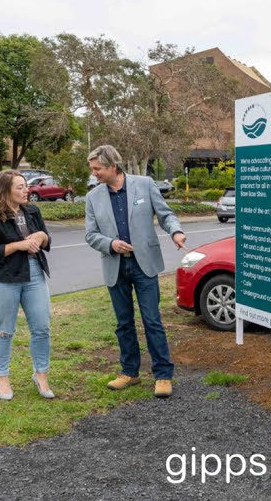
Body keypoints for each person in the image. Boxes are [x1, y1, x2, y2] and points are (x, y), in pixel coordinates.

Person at [85, 145, 187, 398]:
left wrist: (175, 231)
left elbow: (165, 214)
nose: (94, 173)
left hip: (144, 264)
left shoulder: (144, 184)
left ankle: (162, 375)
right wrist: (110, 244)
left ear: (112, 166)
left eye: (97, 169)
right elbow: (90, 234)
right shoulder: (93, 197)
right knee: (124, 323)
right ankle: (129, 373)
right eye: (93, 169)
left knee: (152, 320)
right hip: (114, 265)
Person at [0, 170, 54, 400]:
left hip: (34, 274)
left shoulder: (32, 211)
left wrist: (41, 236)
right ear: (5, 190)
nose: (26, 190)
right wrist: (18, 245)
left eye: (25, 186)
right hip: (4, 278)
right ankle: (2, 379)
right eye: (20, 187)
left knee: (42, 327)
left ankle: (41, 375)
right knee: (4, 330)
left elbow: (47, 240)